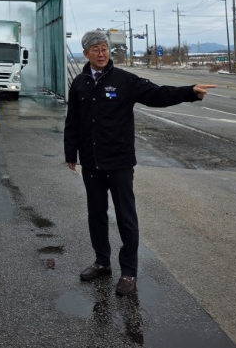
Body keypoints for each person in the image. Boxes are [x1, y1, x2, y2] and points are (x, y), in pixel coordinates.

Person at [64, 30, 215, 296]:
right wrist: (70, 154)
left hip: (119, 161)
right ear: (86, 53)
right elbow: (72, 121)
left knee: (126, 217)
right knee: (96, 214)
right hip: (91, 161)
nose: (101, 53)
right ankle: (102, 261)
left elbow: (157, 94)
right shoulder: (79, 83)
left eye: (104, 48)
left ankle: (129, 272)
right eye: (95, 49)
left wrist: (189, 92)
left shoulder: (124, 80)